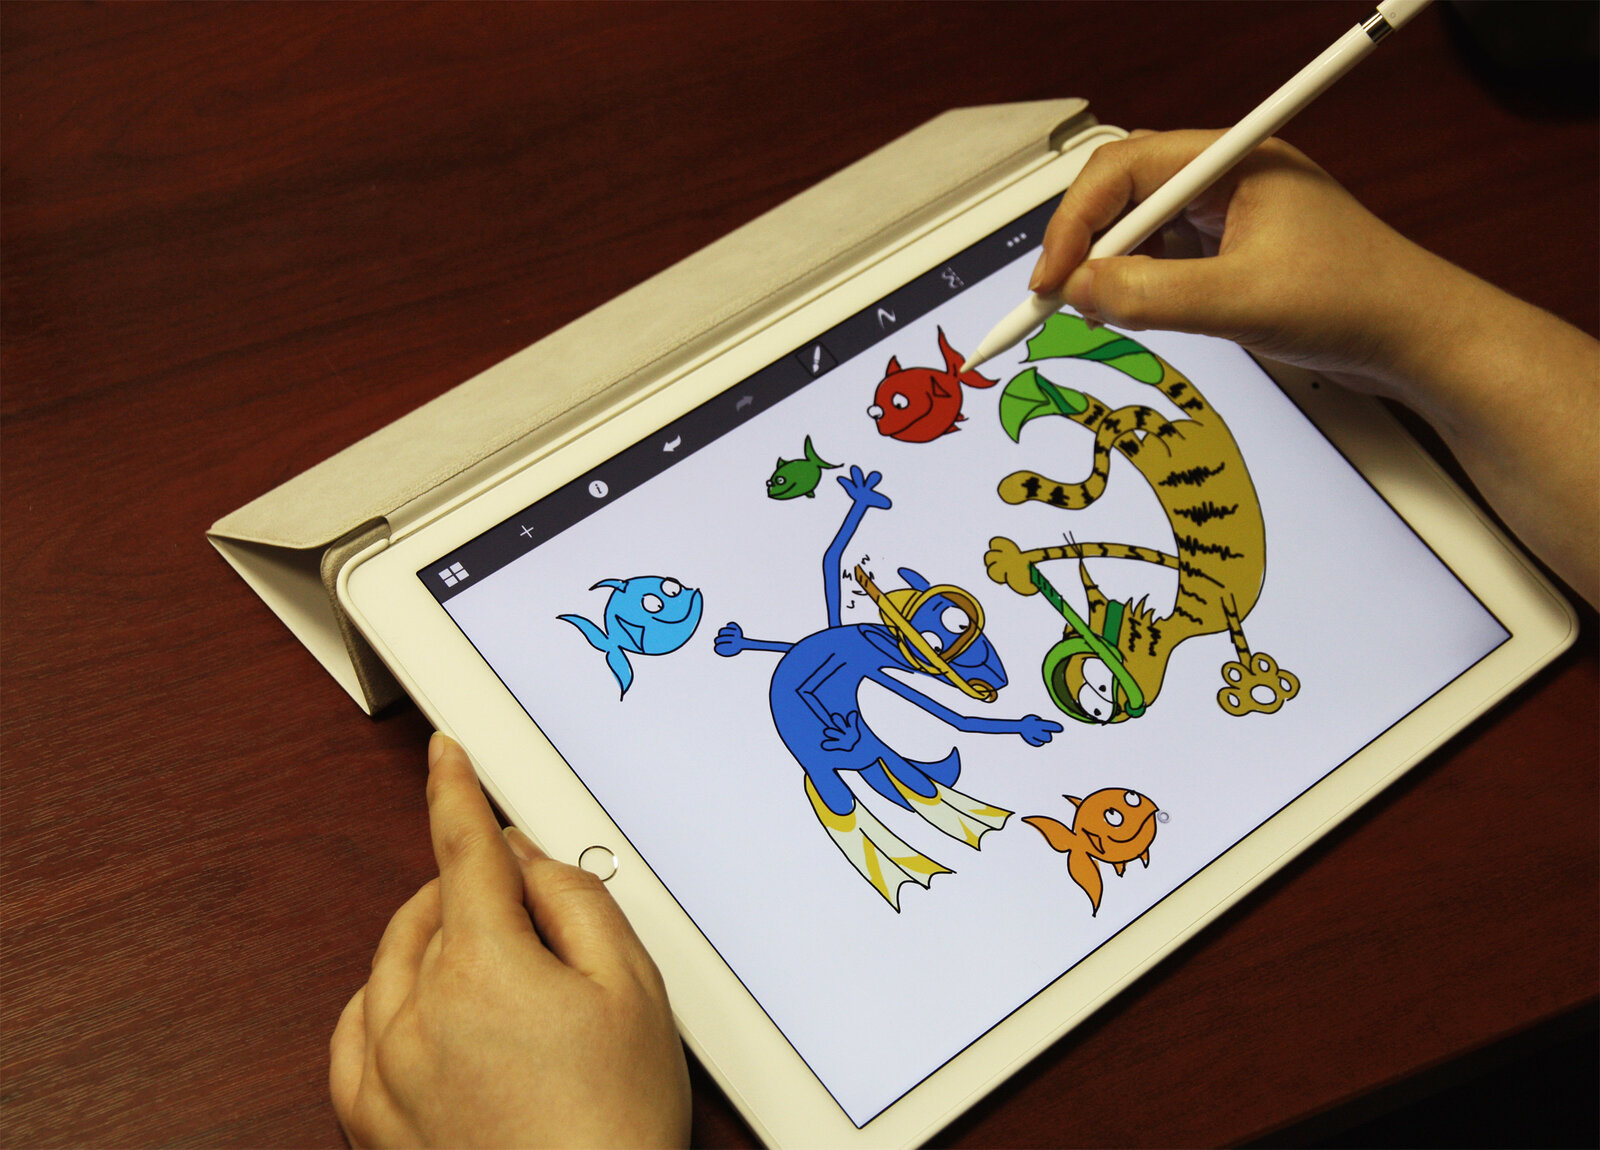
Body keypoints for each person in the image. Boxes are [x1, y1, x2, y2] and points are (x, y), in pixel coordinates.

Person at [328, 130, 1598, 1148]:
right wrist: (1436, 325)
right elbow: (879, 658)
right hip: (818, 726)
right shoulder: (872, 650)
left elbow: (936, 694)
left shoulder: (918, 653)